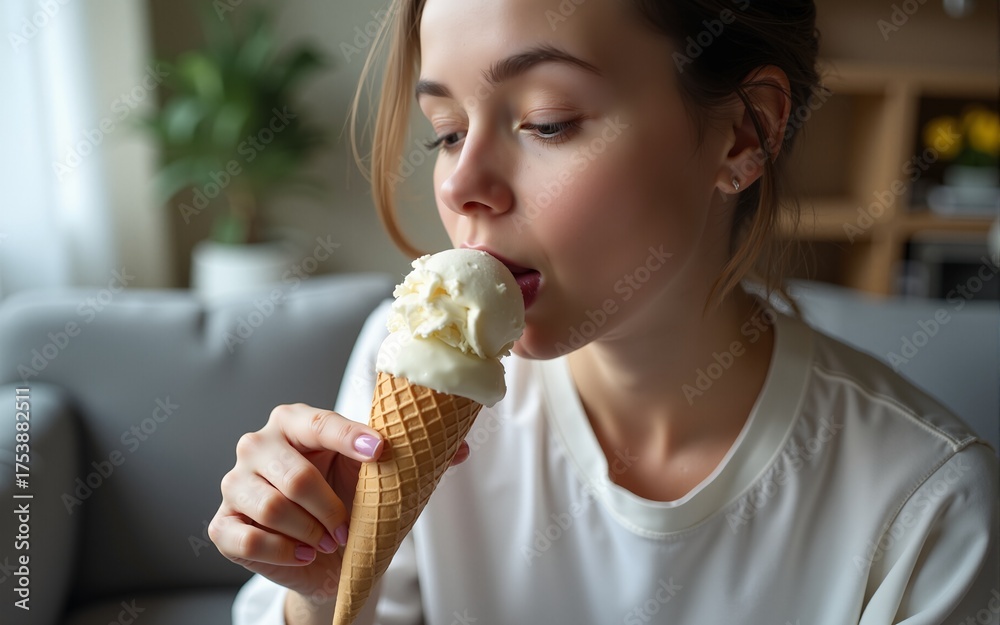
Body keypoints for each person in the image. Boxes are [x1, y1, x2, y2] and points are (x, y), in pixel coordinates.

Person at [209, 0, 999, 623]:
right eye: (445, 133)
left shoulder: (928, 504)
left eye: (546, 122)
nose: (460, 185)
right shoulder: (407, 355)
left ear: (742, 133)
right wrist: (321, 594)